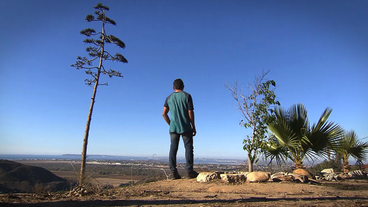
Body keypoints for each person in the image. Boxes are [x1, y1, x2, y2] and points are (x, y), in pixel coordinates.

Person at [162, 78, 199, 179]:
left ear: (173, 87)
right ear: (183, 86)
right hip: (186, 127)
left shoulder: (168, 98)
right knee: (188, 148)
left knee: (173, 149)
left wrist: (170, 124)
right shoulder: (187, 96)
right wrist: (193, 126)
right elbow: (190, 112)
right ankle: (189, 171)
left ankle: (173, 172)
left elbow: (164, 114)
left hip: (173, 128)